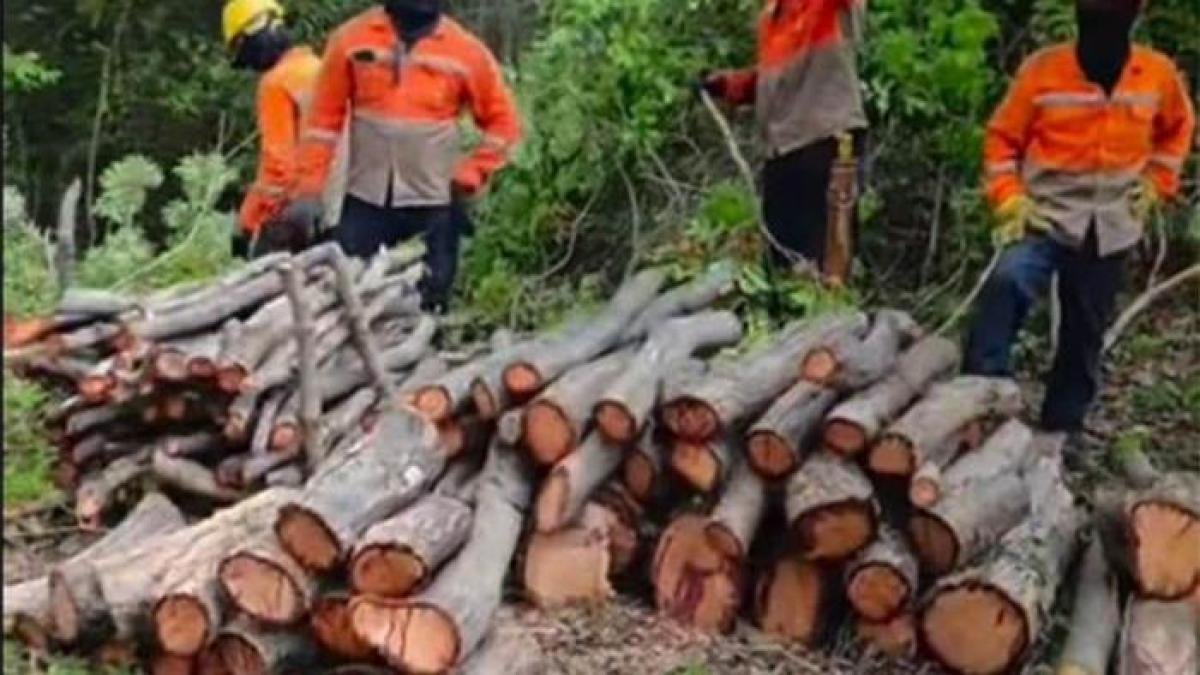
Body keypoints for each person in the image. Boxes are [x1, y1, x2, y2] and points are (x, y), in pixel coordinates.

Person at [966, 0, 1194, 445]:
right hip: (1043, 213)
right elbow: (1001, 139)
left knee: (1086, 327)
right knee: (1007, 282)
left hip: (1113, 220)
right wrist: (1009, 198)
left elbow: (1178, 130)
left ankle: (1062, 427)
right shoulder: (1043, 71)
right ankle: (978, 397)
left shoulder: (1156, 74)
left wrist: (1156, 183)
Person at [284, 0, 521, 313]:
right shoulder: (351, 40)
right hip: (366, 201)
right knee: (349, 296)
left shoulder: (467, 52)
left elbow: (504, 124)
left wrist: (474, 171)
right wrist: (308, 189)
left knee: (431, 300)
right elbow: (322, 124)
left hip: (434, 204)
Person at [700, 0, 868, 283]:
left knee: (826, 264)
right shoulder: (773, 16)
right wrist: (730, 86)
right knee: (783, 261)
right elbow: (776, 78)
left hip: (825, 139)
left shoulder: (824, 9)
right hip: (784, 149)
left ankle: (830, 304)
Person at [222, 0, 322, 256]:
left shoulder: (276, 83)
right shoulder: (318, 68)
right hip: (351, 199)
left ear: (249, 42)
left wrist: (246, 224)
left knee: (264, 265)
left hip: (307, 205)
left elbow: (278, 170)